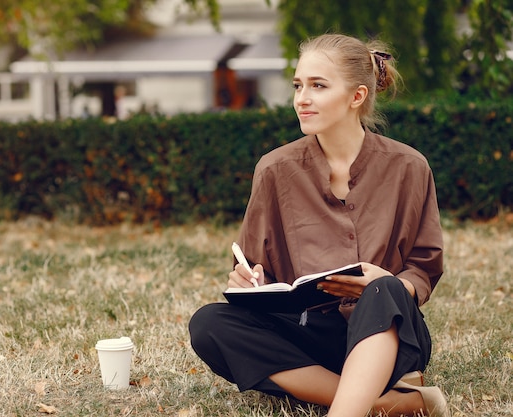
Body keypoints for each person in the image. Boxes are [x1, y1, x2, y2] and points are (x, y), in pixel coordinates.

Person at [188, 33, 449, 417]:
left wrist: (391, 281)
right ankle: (389, 403)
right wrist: (249, 281)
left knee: (384, 290)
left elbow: (424, 266)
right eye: (297, 85)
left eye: (317, 86)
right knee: (209, 322)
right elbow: (256, 266)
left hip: (386, 330)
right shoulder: (275, 170)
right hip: (309, 335)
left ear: (357, 96)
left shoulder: (409, 167)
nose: (301, 98)